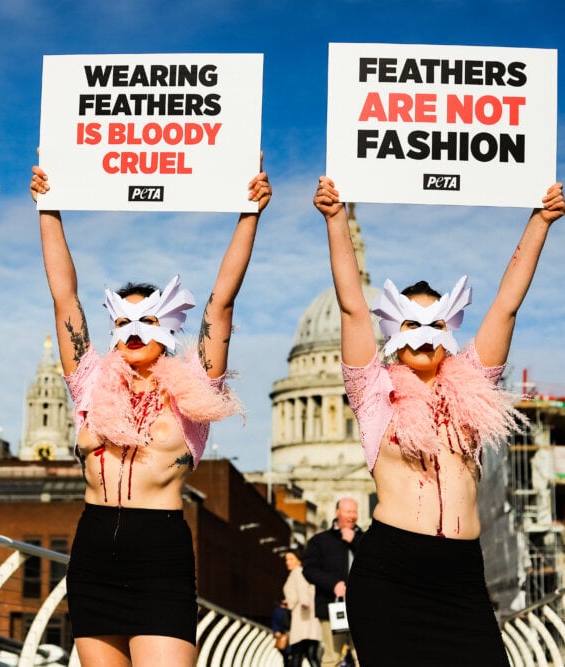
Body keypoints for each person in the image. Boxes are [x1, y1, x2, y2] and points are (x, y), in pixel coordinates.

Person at [314, 176, 565, 666]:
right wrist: (335, 219)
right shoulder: (374, 392)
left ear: (451, 329)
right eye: (411, 323)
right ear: (393, 330)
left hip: (462, 577)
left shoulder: (473, 381)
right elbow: (350, 308)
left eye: (436, 324)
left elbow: (506, 306)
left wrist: (541, 221)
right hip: (391, 573)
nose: (424, 335)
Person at [30, 161, 271, 666]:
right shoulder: (91, 381)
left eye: (149, 319)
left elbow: (221, 304)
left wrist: (249, 213)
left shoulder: (193, 388)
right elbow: (64, 299)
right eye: (123, 320)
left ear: (169, 325)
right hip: (94, 548)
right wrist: (48, 207)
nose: (135, 330)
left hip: (161, 552)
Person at [302, 498, 361, 667]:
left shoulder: (365, 540)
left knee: (363, 657)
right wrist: (333, 584)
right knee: (332, 658)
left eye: (355, 512)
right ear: (337, 513)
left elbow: (377, 565)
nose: (352, 516)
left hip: (361, 609)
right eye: (348, 512)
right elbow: (309, 569)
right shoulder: (320, 541)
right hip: (332, 608)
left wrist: (356, 541)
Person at [284, 549, 322, 667]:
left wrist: (304, 601)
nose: (287, 562)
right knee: (310, 656)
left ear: (299, 561)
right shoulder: (304, 572)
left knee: (298, 656)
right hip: (309, 621)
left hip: (302, 622)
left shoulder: (297, 572)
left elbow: (302, 590)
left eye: (291, 559)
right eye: (286, 559)